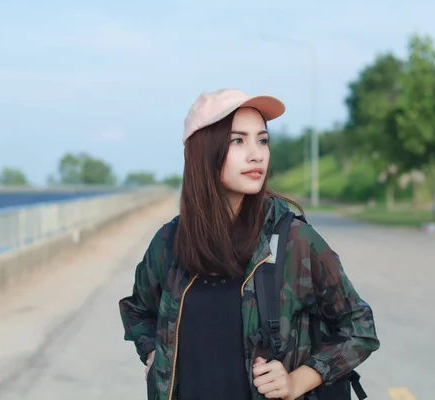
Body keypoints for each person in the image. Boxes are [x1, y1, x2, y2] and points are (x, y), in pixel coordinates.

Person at [119, 88, 380, 400]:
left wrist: (296, 381)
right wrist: (153, 354)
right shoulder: (170, 243)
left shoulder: (292, 242)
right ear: (202, 151)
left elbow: (358, 327)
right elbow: (138, 311)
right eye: (238, 140)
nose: (256, 154)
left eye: (262, 140)